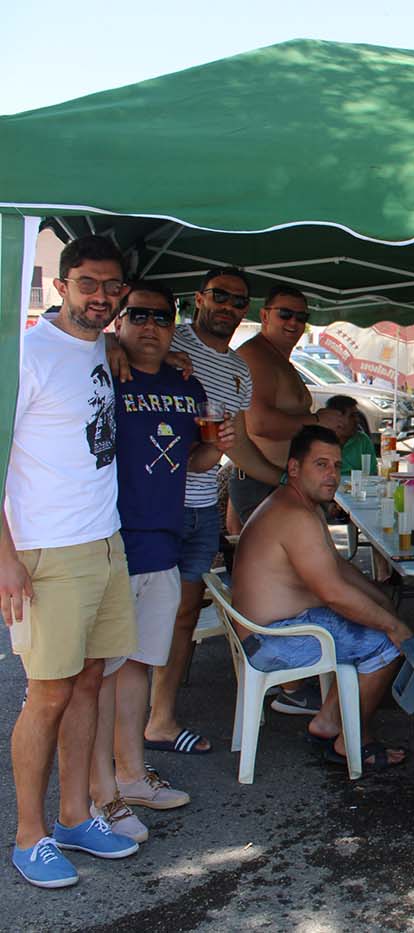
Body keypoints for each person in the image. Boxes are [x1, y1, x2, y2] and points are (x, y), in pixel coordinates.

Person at [2, 236, 142, 888]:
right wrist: (6, 559)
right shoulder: (24, 354)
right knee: (48, 692)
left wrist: (115, 346)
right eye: (88, 283)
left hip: (104, 540)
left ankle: (74, 816)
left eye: (113, 287)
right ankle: (28, 836)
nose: (101, 297)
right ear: (61, 285)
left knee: (89, 681)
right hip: (46, 549)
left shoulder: (99, 348)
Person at [91, 282, 236, 843]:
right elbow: (64, 326)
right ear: (119, 320)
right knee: (100, 672)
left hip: (163, 539)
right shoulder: (103, 371)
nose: (150, 325)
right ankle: (100, 789)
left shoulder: (185, 382)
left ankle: (131, 774)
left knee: (138, 664)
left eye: (161, 316)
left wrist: (219, 446)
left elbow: (192, 460)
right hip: (109, 540)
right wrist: (106, 345)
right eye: (138, 315)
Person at [232, 426, 411, 771]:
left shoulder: (300, 504)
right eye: (321, 464)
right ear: (294, 468)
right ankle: (351, 742)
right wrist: (393, 625)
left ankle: (328, 723)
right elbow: (334, 594)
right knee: (385, 645)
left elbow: (338, 568)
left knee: (375, 620)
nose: (332, 474)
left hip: (273, 628)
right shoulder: (295, 515)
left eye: (336, 465)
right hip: (270, 640)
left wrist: (382, 601)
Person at [233, 284, 346, 523]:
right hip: (263, 484)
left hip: (281, 482)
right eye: (285, 314)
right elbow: (259, 423)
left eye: (301, 317)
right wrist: (317, 421)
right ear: (264, 316)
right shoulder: (257, 357)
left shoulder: (277, 358)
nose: (293, 322)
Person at [323, 395, 376, 477]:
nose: (357, 420)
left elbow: (372, 473)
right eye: (352, 416)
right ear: (337, 418)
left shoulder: (362, 440)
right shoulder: (319, 441)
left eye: (357, 416)